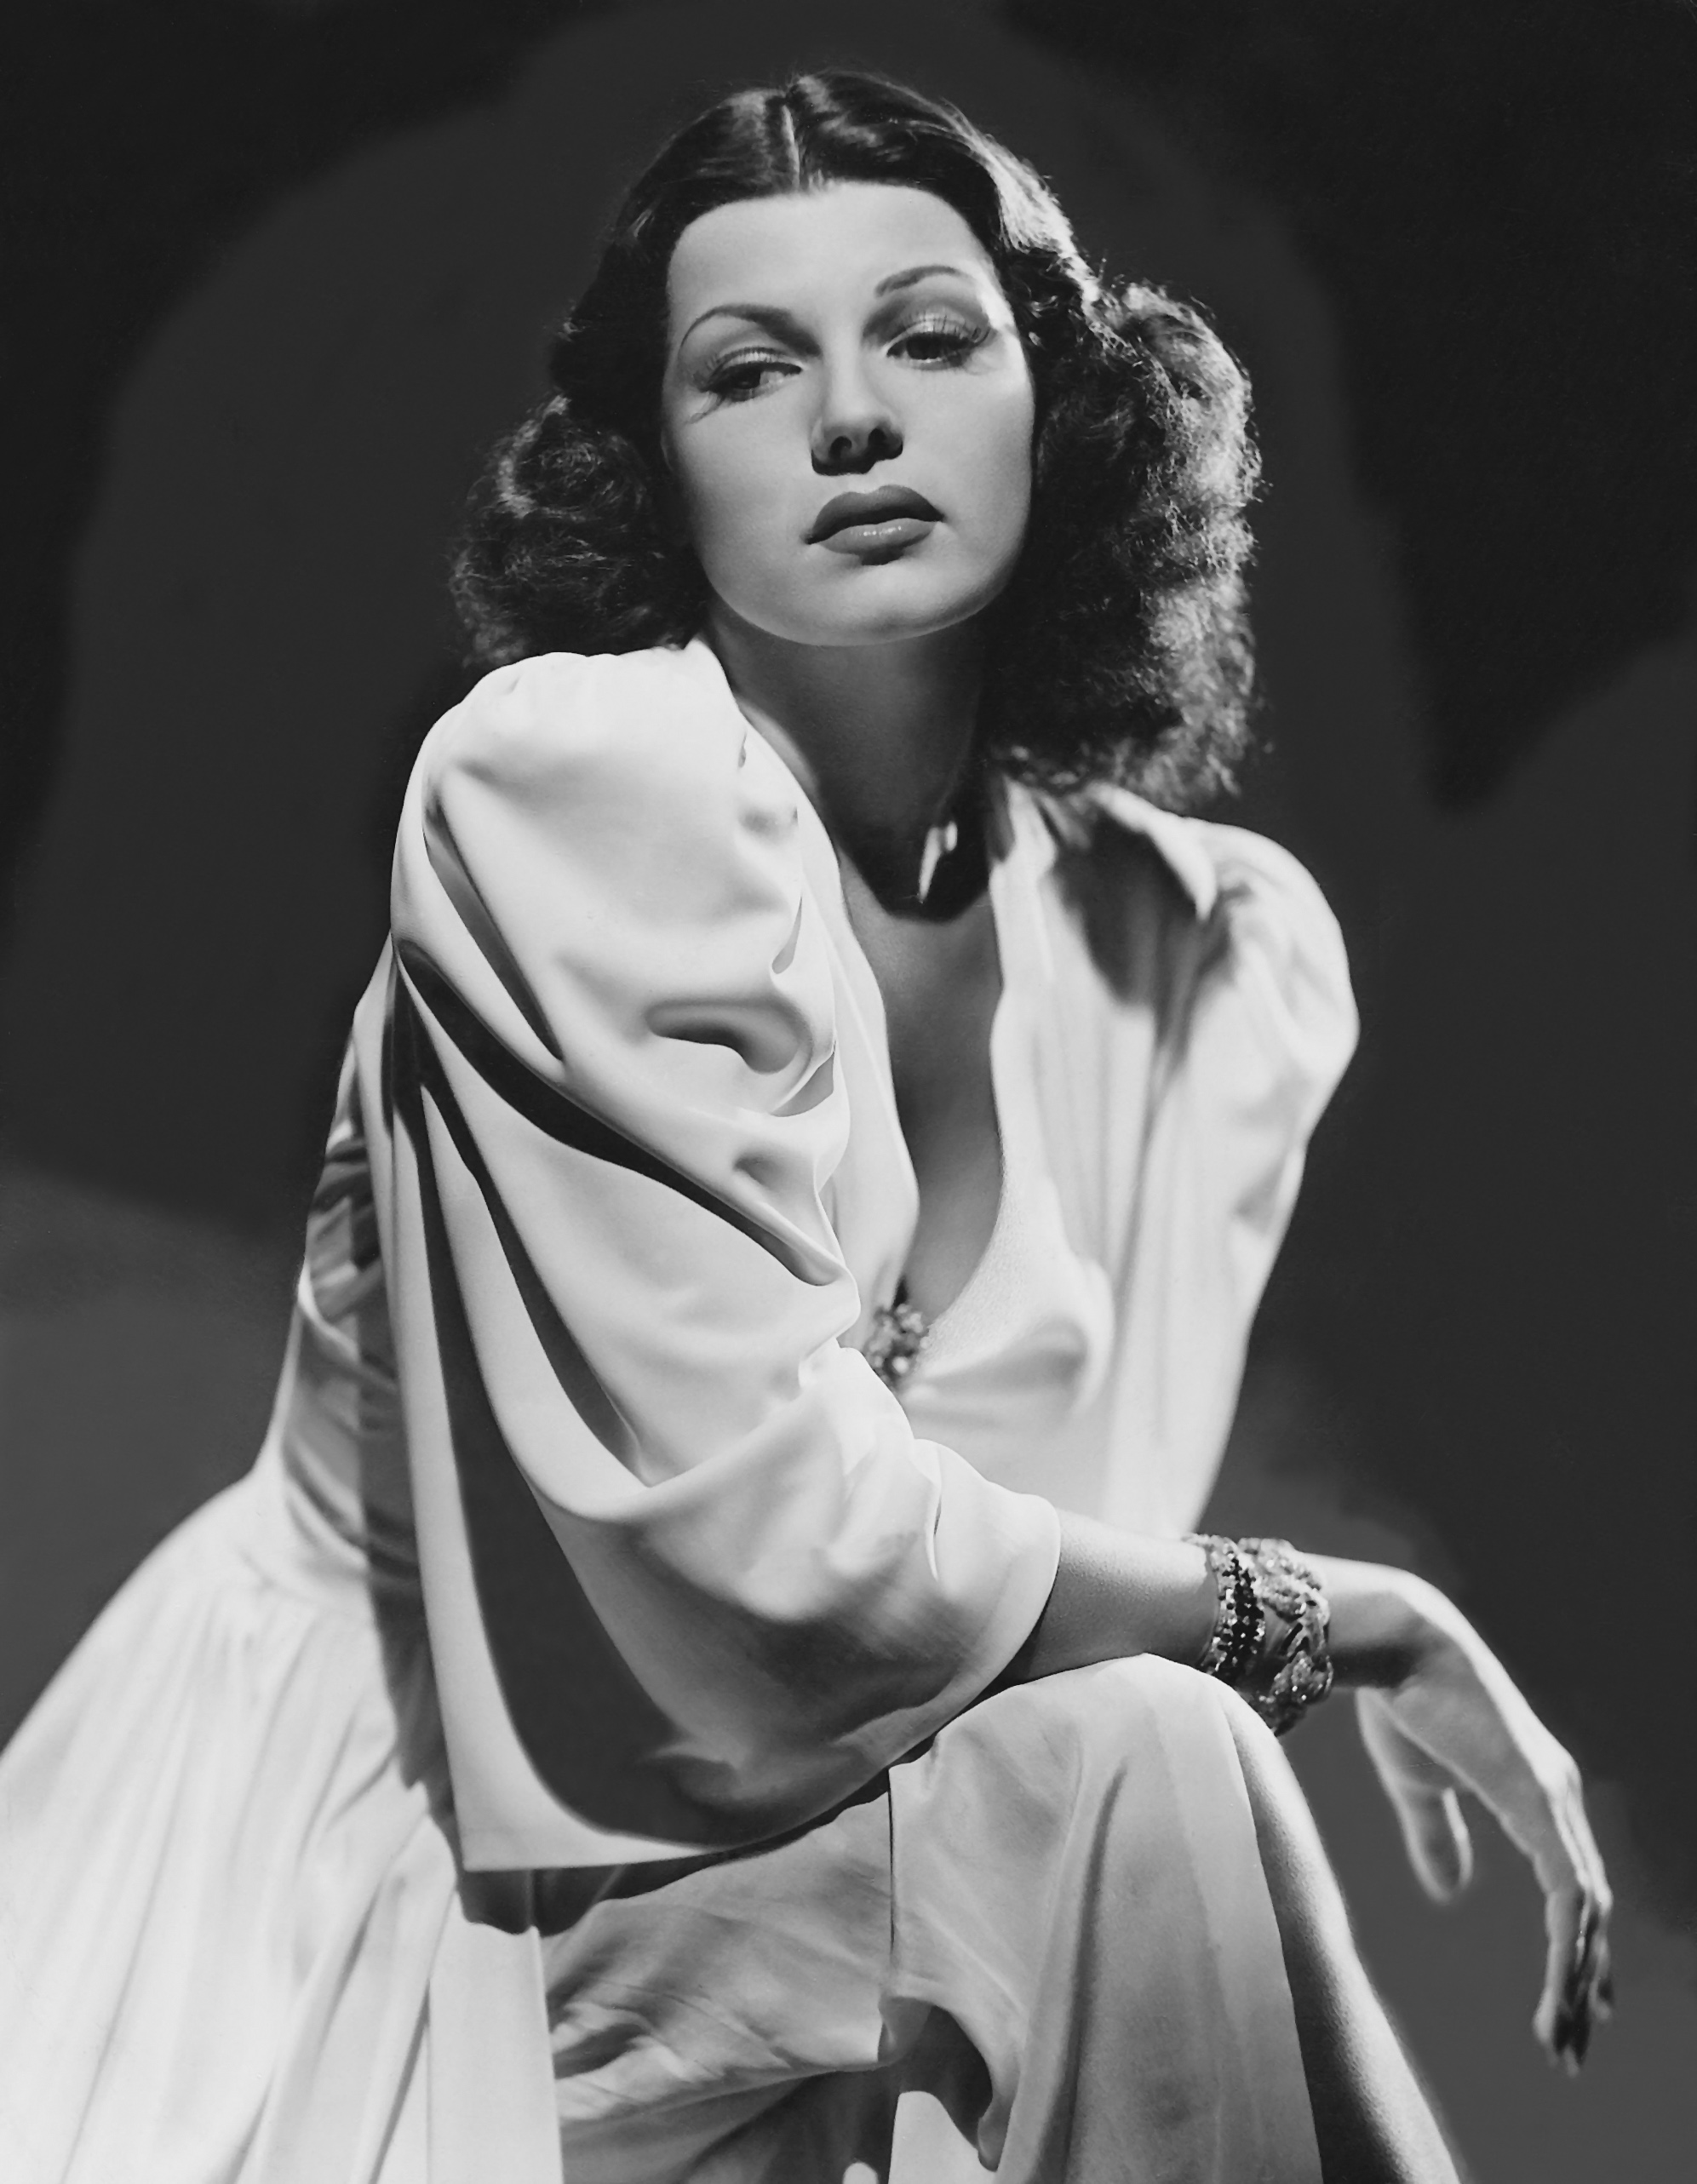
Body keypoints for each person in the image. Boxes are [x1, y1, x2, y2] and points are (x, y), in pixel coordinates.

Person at [0, 69, 1610, 2184]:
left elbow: (1032, 1585)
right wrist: (1343, 1615)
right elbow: (771, 1573)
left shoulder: (1194, 953)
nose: (852, 419)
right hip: (432, 1851)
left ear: (1062, 406)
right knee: (1151, 1746)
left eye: (928, 338)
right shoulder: (572, 795)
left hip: (803, 1855)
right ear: (656, 471)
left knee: (1141, 1754)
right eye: (750, 371)